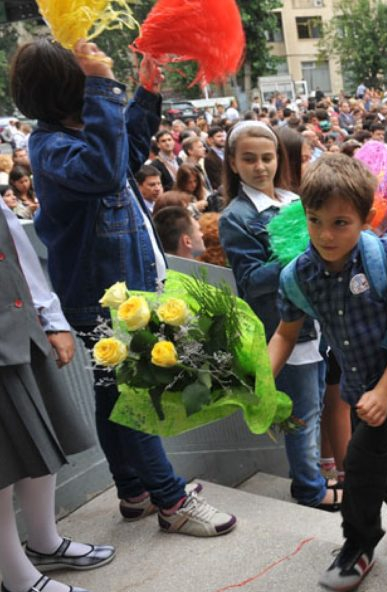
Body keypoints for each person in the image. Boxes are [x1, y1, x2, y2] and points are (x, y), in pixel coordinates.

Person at [13, 39, 234, 537]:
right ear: (71, 88)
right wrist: (101, 86)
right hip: (102, 297)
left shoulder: (83, 138)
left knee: (115, 395)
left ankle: (134, 490)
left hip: (122, 290)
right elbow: (106, 168)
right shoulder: (52, 147)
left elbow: (128, 150)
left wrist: (147, 87)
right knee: (138, 394)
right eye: (84, 76)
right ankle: (171, 500)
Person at [269, 154, 387, 592]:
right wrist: (260, 383)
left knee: (357, 461)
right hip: (358, 386)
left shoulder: (385, 258)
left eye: (340, 223)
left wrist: (383, 390)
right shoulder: (298, 275)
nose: (325, 234)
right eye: (316, 220)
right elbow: (284, 334)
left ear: (364, 218)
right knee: (378, 457)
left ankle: (358, 546)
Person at [0, 201, 114, 592]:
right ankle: (16, 578)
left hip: (18, 324)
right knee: (3, 464)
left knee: (38, 443)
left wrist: (51, 318)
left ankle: (44, 542)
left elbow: (17, 251)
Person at [217, 122, 333, 514]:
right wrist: (299, 251)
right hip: (284, 327)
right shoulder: (235, 216)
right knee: (302, 413)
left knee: (314, 403)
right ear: (232, 163)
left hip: (318, 323)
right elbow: (250, 282)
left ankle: (313, 476)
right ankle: (309, 488)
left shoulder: (290, 199)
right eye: (249, 159)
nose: (260, 167)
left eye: (267, 158)